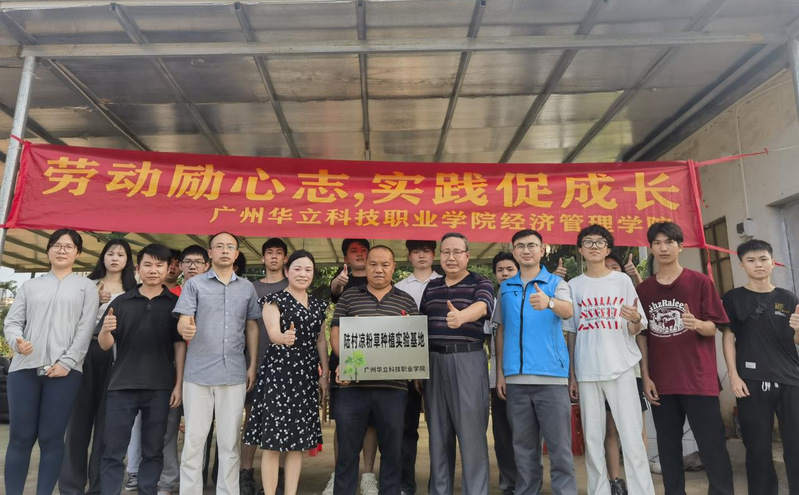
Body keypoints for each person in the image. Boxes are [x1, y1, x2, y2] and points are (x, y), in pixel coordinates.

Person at [636, 222, 733, 495]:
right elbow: (642, 335)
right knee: (668, 448)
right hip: (662, 382)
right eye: (657, 243)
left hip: (699, 379)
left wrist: (697, 324)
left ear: (680, 246)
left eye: (669, 242)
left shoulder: (700, 282)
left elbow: (715, 327)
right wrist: (646, 376)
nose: (663, 248)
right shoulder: (644, 290)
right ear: (651, 248)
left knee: (712, 446)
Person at [3, 228, 100, 495]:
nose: (61, 250)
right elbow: (12, 322)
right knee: (20, 437)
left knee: (51, 437)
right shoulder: (30, 286)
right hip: (24, 369)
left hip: (65, 373)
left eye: (69, 247)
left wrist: (67, 362)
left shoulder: (86, 288)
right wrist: (17, 342)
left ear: (77, 253)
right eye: (56, 245)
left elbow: (85, 329)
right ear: (48, 250)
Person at [564, 224, 654, 495]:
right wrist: (572, 374)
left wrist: (635, 319)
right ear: (580, 249)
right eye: (588, 242)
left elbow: (636, 327)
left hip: (621, 367)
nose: (594, 247)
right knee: (593, 440)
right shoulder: (573, 286)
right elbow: (571, 332)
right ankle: (599, 491)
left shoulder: (622, 281)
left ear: (608, 249)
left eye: (600, 242)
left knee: (632, 437)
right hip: (587, 370)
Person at [174, 232, 261, 494]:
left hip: (233, 374)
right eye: (219, 246)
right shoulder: (194, 285)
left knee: (229, 444)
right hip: (198, 375)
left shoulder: (246, 288)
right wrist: (185, 328)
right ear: (210, 253)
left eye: (230, 247)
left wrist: (252, 365)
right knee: (194, 442)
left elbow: (252, 326)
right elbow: (184, 319)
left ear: (236, 254)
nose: (224, 250)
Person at [330, 245, 419, 495]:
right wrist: (345, 360)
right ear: (366, 266)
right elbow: (335, 334)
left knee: (392, 452)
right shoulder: (349, 297)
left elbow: (415, 341)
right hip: (353, 387)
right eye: (373, 264)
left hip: (393, 389)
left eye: (385, 265)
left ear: (394, 267)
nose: (379, 269)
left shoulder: (406, 300)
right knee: (347, 452)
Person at [97, 243, 186, 495]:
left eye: (159, 265)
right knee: (113, 450)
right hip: (122, 386)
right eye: (147, 264)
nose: (153, 270)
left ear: (168, 269)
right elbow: (105, 344)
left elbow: (179, 345)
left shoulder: (175, 305)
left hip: (160, 387)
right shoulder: (122, 302)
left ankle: (148, 490)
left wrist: (178, 384)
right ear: (138, 268)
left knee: (153, 450)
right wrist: (105, 330)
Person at [495, 230, 576, 495]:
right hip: (516, 380)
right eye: (520, 246)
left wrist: (549, 302)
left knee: (560, 449)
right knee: (524, 450)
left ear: (543, 250)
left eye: (532, 245)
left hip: (550, 378)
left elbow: (568, 311)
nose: (526, 250)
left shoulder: (556, 283)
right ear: (514, 251)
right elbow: (501, 329)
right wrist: (501, 373)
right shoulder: (506, 287)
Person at [244, 249, 330, 495]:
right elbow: (272, 333)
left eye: (308, 270)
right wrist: (284, 337)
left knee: (298, 443)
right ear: (287, 271)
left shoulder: (318, 305)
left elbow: (320, 340)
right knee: (272, 443)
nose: (303, 274)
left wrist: (324, 373)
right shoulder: (274, 300)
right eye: (297, 269)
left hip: (305, 377)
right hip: (279, 376)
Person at [60, 238, 137, 495]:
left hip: (117, 357)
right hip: (84, 352)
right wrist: (95, 300)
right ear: (102, 257)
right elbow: (69, 320)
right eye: (110, 253)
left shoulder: (133, 291)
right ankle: (71, 487)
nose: (115, 258)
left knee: (108, 426)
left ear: (128, 261)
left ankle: (99, 487)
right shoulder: (86, 285)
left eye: (121, 254)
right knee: (77, 424)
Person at [722, 239, 799, 495]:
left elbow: (796, 340)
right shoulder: (733, 298)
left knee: (796, 446)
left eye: (763, 259)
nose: (758, 265)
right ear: (741, 265)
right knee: (757, 449)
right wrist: (734, 375)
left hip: (790, 381)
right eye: (751, 260)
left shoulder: (788, 298)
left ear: (772, 262)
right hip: (751, 382)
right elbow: (728, 336)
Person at [419, 232, 494, 495]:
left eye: (457, 252)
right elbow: (420, 326)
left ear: (467, 256)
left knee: (472, 435)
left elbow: (483, 307)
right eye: (446, 252)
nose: (451, 257)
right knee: (438, 435)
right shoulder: (432, 287)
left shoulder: (480, 282)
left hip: (468, 360)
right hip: (433, 363)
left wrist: (462, 316)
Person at [324, 238, 380, 495]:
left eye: (363, 250)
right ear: (345, 258)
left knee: (370, 421)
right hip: (343, 360)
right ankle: (340, 474)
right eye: (353, 251)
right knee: (343, 421)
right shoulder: (342, 280)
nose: (359, 255)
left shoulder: (381, 279)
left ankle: (368, 475)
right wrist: (337, 283)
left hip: (376, 360)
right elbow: (334, 290)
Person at [158, 244, 209, 495]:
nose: (192, 267)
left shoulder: (214, 295)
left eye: (198, 262)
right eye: (187, 262)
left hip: (204, 371)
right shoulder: (170, 296)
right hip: (171, 370)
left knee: (199, 432)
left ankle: (195, 480)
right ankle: (168, 480)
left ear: (207, 266)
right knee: (168, 429)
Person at [241, 238, 290, 495]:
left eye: (278, 253)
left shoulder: (292, 286)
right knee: (251, 422)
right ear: (262, 258)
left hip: (284, 368)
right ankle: (246, 475)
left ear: (285, 258)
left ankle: (276, 480)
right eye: (269, 252)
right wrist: (250, 363)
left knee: (280, 424)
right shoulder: (250, 288)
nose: (273, 257)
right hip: (254, 363)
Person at [394, 239, 441, 495]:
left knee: (441, 428)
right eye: (416, 252)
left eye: (426, 251)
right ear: (409, 256)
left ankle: (440, 485)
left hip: (439, 359)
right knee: (406, 427)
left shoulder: (444, 283)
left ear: (434, 255)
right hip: (407, 365)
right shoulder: (399, 288)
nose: (421, 256)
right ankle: (405, 485)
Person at [601, 252, 648, 495]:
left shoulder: (630, 296)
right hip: (603, 372)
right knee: (610, 429)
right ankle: (615, 481)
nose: (610, 270)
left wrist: (645, 374)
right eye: (606, 266)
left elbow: (641, 336)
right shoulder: (593, 295)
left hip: (631, 373)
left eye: (615, 266)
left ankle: (639, 478)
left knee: (636, 430)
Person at [486, 252, 519, 495]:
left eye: (510, 269)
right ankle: (509, 484)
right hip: (497, 378)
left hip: (522, 375)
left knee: (525, 434)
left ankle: (529, 484)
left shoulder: (526, 294)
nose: (505, 274)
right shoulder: (490, 300)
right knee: (502, 435)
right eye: (500, 270)